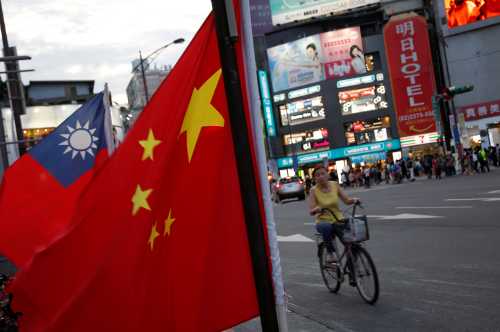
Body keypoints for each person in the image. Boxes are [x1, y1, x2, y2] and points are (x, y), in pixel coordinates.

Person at [309, 166, 360, 263]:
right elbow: (311, 211)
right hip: (323, 221)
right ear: (315, 178)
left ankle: (351, 268)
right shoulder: (313, 190)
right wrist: (317, 209)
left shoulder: (335, 185)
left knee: (351, 243)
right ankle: (330, 253)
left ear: (327, 175)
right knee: (327, 227)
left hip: (338, 219)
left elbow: (346, 200)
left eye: (323, 173)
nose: (321, 176)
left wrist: (354, 200)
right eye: (317, 175)